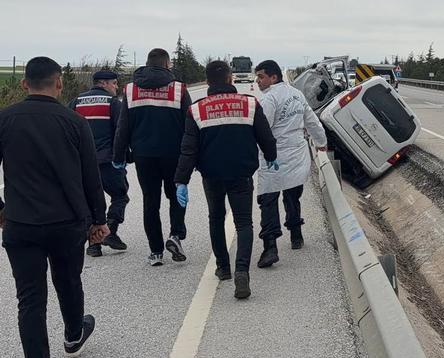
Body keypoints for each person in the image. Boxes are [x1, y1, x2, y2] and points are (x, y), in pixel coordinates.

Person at [0, 57, 109, 358]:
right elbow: (91, 176)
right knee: (68, 281)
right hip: (66, 223)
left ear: (24, 84)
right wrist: (98, 220)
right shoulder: (74, 122)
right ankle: (74, 334)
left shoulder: (5, 119)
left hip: (20, 224)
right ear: (59, 83)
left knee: (30, 300)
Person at [174, 61, 277, 299]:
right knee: (243, 223)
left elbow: (188, 149)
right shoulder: (250, 104)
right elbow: (266, 137)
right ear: (231, 80)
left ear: (208, 82)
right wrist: (271, 157)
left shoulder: (197, 110)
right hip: (241, 174)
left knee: (216, 218)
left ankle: (223, 267)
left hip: (212, 175)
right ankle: (242, 271)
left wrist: (181, 180)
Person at [113, 48, 192, 266]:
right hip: (173, 155)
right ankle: (175, 235)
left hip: (144, 156)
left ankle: (156, 252)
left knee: (151, 201)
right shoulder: (179, 90)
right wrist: (192, 157)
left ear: (147, 64)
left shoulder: (131, 90)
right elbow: (190, 125)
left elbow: (123, 127)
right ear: (167, 65)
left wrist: (119, 156)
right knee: (176, 195)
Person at [254, 59, 327, 268]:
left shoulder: (269, 100)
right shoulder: (297, 94)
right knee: (292, 195)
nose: (257, 81)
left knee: (268, 200)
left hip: (275, 156)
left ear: (273, 77)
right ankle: (296, 235)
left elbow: (262, 130)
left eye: (261, 76)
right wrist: (321, 142)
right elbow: (311, 120)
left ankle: (270, 246)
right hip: (296, 153)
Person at [68, 69, 130, 257]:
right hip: (107, 161)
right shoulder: (113, 103)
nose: (116, 87)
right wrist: (124, 156)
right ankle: (110, 230)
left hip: (81, 163)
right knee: (120, 196)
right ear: (103, 83)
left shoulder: (76, 102)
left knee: (89, 202)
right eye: (114, 83)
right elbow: (121, 132)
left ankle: (93, 245)